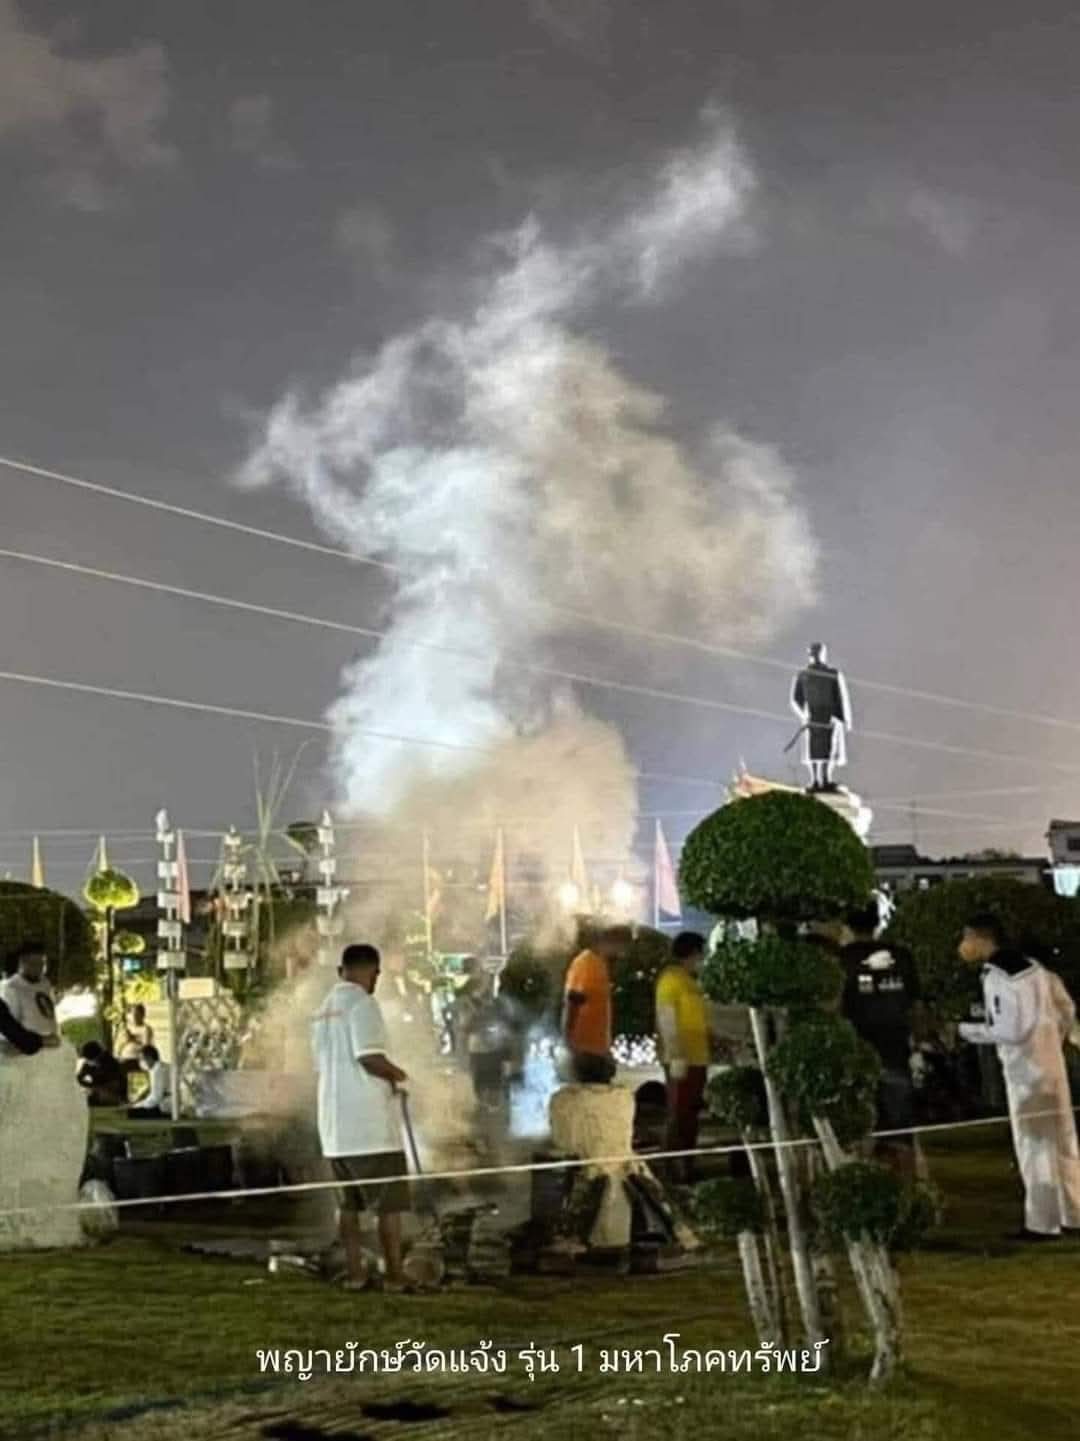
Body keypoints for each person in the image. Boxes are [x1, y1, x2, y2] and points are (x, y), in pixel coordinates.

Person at [957, 914, 1080, 1240]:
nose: (963, 946)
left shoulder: (998, 976)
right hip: (1052, 1064)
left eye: (966, 938)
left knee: (1033, 1145)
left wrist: (967, 1031)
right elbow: (1066, 1009)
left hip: (1025, 1072)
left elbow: (1009, 1031)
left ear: (981, 938)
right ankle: (1073, 1213)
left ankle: (1042, 1223)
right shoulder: (1037, 969)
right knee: (1064, 1141)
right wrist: (1054, 1039)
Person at [311, 943, 412, 1291]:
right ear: (374, 973)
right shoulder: (363, 1004)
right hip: (369, 1128)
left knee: (348, 1207)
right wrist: (400, 1076)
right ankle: (395, 1276)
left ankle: (355, 1274)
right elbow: (369, 1057)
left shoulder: (323, 1011)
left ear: (342, 971)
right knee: (388, 1207)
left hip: (334, 1129)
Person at [840, 903, 925, 1178]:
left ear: (846, 925)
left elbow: (834, 1006)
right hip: (896, 1048)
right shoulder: (901, 956)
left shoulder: (841, 959)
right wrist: (918, 1044)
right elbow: (916, 1005)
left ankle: (868, 1184)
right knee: (900, 1127)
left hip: (856, 1050)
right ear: (877, 921)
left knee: (861, 1126)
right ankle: (908, 1184)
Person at [655, 931, 713, 1183]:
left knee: (690, 1117)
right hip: (681, 1061)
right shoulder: (671, 981)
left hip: (697, 1059)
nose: (702, 959)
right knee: (678, 1116)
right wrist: (676, 1055)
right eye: (701, 954)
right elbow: (667, 1020)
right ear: (692, 953)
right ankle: (670, 1170)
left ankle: (686, 1166)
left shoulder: (690, 982)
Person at [561, 927, 630, 1084]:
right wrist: (570, 1042)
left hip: (595, 1050)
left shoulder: (599, 964)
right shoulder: (586, 963)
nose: (622, 953)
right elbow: (573, 1003)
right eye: (621, 946)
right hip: (585, 1050)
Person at [789, 642, 852, 792]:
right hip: (813, 716)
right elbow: (796, 698)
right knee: (813, 749)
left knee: (828, 748)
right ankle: (814, 781)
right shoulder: (803, 675)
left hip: (828, 717)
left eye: (819, 652)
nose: (816, 655)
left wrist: (842, 717)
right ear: (810, 654)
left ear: (823, 654)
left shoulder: (832, 673)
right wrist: (804, 715)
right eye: (814, 652)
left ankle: (825, 778)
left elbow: (839, 697)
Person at [0, 941, 59, 1052]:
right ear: (22, 963)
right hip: (25, 1054)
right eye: (33, 963)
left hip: (50, 1050)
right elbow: (9, 1030)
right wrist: (38, 1041)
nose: (38, 968)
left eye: (42, 964)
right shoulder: (11, 988)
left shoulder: (45, 983)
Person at [75, 1042, 127, 1107]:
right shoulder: (89, 1063)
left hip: (112, 1092)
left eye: (87, 1059)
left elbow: (100, 1078)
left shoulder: (110, 1063)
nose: (86, 1061)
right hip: (99, 1090)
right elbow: (81, 1077)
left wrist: (90, 1080)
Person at [127, 1044, 172, 1118]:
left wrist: (137, 1105)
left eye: (141, 1059)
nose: (140, 1062)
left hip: (165, 1106)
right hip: (167, 1104)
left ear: (149, 1058)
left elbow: (155, 1098)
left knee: (132, 1113)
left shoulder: (158, 1070)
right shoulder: (160, 1067)